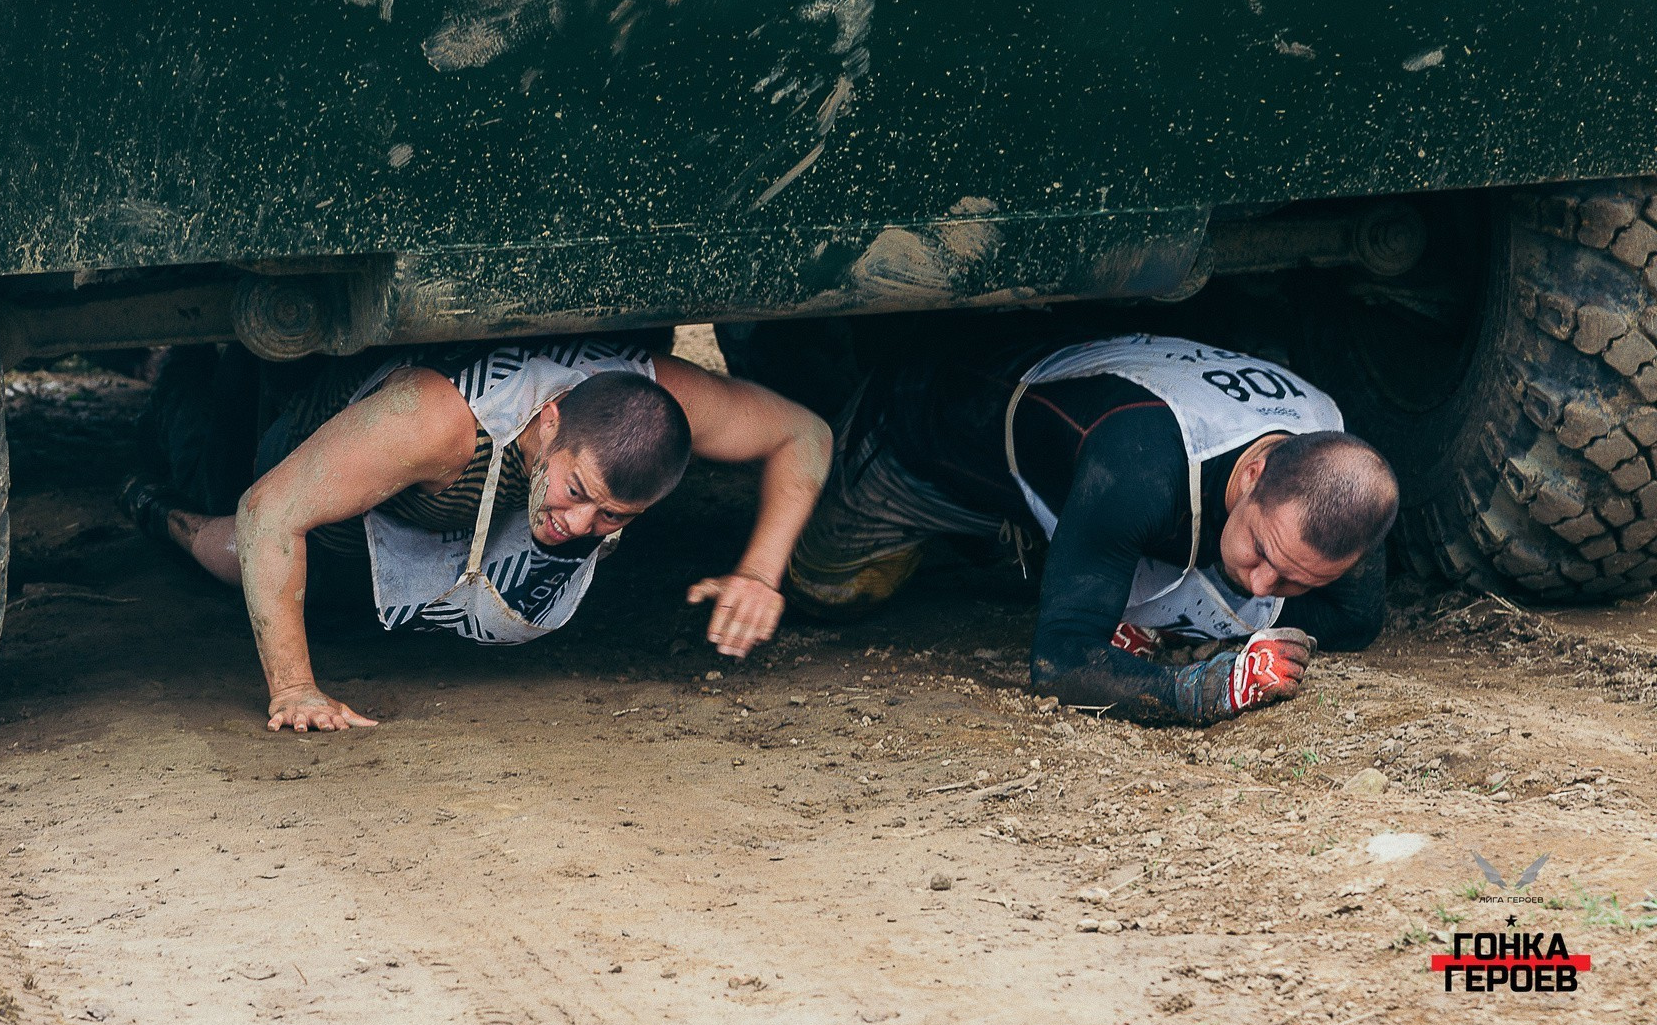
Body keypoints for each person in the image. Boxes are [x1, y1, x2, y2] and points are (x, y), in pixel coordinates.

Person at [123, 337, 830, 734]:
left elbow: (805, 433)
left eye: (614, 517)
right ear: (550, 422)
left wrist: (761, 571)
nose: (577, 525)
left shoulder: (656, 400)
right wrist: (295, 690)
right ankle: (160, 455)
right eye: (576, 491)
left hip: (424, 524)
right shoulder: (435, 421)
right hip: (309, 445)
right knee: (222, 523)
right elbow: (266, 513)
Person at [784, 331, 1398, 725]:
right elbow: (1059, 663)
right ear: (1256, 471)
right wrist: (1198, 689)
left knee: (1117, 561)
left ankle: (1054, 545)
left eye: (1295, 582)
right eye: (1262, 552)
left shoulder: (1331, 471)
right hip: (923, 438)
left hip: (1085, 481)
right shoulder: (1141, 465)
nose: (1262, 587)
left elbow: (1355, 616)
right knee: (826, 590)